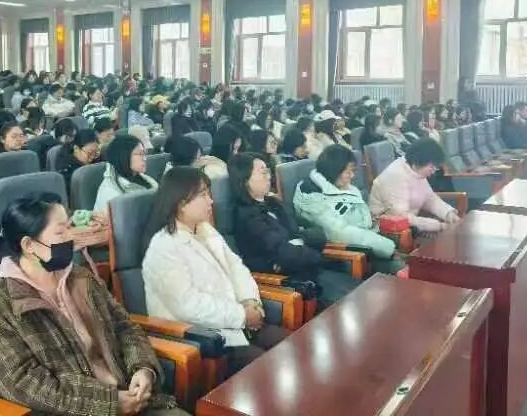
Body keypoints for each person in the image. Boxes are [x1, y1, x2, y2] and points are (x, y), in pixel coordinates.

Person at [0, 193, 182, 415]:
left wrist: (143, 369)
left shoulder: (81, 278)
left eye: (69, 227)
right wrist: (109, 404)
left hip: (132, 396)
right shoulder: (1, 311)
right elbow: (24, 384)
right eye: (60, 231)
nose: (71, 237)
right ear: (29, 245)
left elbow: (124, 327)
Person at [142, 167, 287, 377]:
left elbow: (236, 267)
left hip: (237, 322)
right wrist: (242, 316)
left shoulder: (204, 229)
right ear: (181, 203)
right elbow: (188, 306)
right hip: (203, 338)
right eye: (203, 195)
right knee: (269, 369)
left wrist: (250, 301)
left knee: (292, 347)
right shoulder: (163, 248)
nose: (211, 201)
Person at [230, 152, 360, 305]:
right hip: (292, 281)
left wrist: (298, 243)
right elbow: (283, 252)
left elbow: (316, 234)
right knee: (352, 303)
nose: (269, 177)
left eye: (268, 171)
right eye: (263, 172)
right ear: (245, 180)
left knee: (361, 292)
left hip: (307, 267)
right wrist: (308, 250)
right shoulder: (245, 215)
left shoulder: (274, 203)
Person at [293, 145, 402, 272]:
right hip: (348, 254)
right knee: (405, 268)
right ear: (334, 170)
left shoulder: (336, 184)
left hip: (369, 240)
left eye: (353, 171)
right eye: (348, 172)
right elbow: (340, 232)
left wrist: (369, 219)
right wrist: (387, 247)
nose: (352, 176)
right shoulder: (311, 197)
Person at [368, 138, 460, 233]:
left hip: (409, 227)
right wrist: (439, 226)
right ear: (419, 161)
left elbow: (429, 199)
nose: (433, 172)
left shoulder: (417, 171)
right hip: (386, 230)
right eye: (432, 167)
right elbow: (401, 216)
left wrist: (448, 213)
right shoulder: (395, 175)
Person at [93, 135, 157, 212]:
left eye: (144, 153)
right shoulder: (111, 193)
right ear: (124, 157)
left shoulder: (141, 177)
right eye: (140, 154)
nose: (144, 158)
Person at [57, 129, 100, 195]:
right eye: (90, 153)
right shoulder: (65, 168)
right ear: (76, 148)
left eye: (95, 153)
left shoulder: (96, 160)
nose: (92, 158)